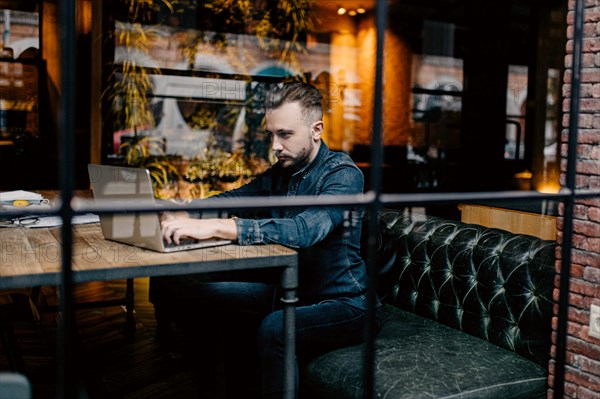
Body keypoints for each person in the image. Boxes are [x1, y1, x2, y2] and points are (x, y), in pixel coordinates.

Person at [157, 81, 381, 398]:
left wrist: (222, 228)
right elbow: (236, 198)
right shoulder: (281, 172)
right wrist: (185, 211)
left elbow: (306, 230)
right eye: (271, 134)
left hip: (345, 304)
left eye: (285, 134)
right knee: (202, 295)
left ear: (316, 129)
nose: (275, 145)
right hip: (290, 292)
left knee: (275, 328)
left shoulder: (343, 175)